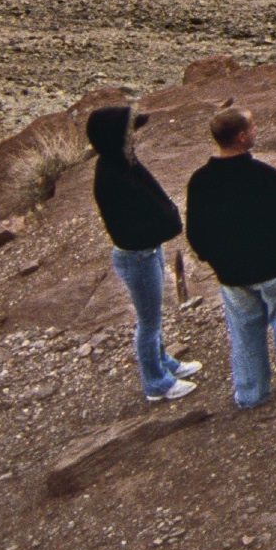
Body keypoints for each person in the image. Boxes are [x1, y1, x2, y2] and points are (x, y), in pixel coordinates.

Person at [183, 106, 276, 404]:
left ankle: (251, 393)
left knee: (244, 330)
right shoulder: (264, 175)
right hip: (274, 268)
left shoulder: (200, 181)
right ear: (240, 137)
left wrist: (214, 260)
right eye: (252, 127)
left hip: (232, 274)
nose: (256, 130)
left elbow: (195, 232)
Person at [87, 98, 200, 402]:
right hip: (138, 255)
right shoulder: (113, 176)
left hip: (145, 252)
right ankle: (156, 382)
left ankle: (163, 363)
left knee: (152, 316)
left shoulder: (121, 164)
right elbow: (129, 225)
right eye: (129, 132)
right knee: (148, 323)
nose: (135, 137)